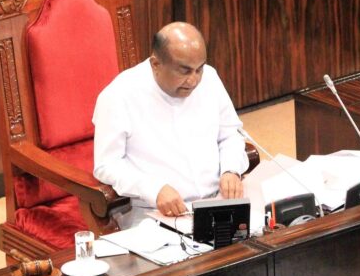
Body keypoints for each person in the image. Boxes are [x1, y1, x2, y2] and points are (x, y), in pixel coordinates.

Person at [92, 22, 249, 227]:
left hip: (219, 202)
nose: (193, 80)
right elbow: (107, 165)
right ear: (156, 64)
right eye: (184, 71)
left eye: (199, 69)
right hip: (155, 214)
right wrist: (154, 188)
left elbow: (231, 134)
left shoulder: (209, 78)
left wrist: (231, 169)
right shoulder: (118, 96)